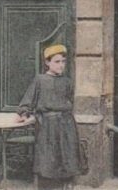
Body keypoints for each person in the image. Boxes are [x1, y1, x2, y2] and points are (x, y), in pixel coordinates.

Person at [16, 44, 80, 188]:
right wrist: (24, 113)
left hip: (66, 125)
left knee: (67, 157)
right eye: (57, 62)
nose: (61, 65)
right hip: (47, 127)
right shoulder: (40, 80)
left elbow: (70, 101)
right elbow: (27, 100)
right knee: (48, 161)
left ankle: (66, 185)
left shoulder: (67, 81)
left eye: (63, 61)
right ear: (47, 62)